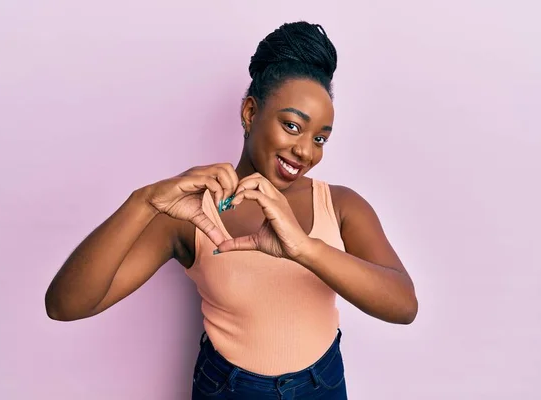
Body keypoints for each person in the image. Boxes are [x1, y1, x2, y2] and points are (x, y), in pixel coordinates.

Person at [45, 21, 418, 400]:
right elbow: (65, 304)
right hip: (229, 388)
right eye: (292, 125)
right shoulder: (191, 212)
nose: (306, 151)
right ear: (250, 112)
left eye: (320, 138)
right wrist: (142, 202)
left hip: (321, 385)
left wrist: (305, 249)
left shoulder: (340, 204)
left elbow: (404, 306)